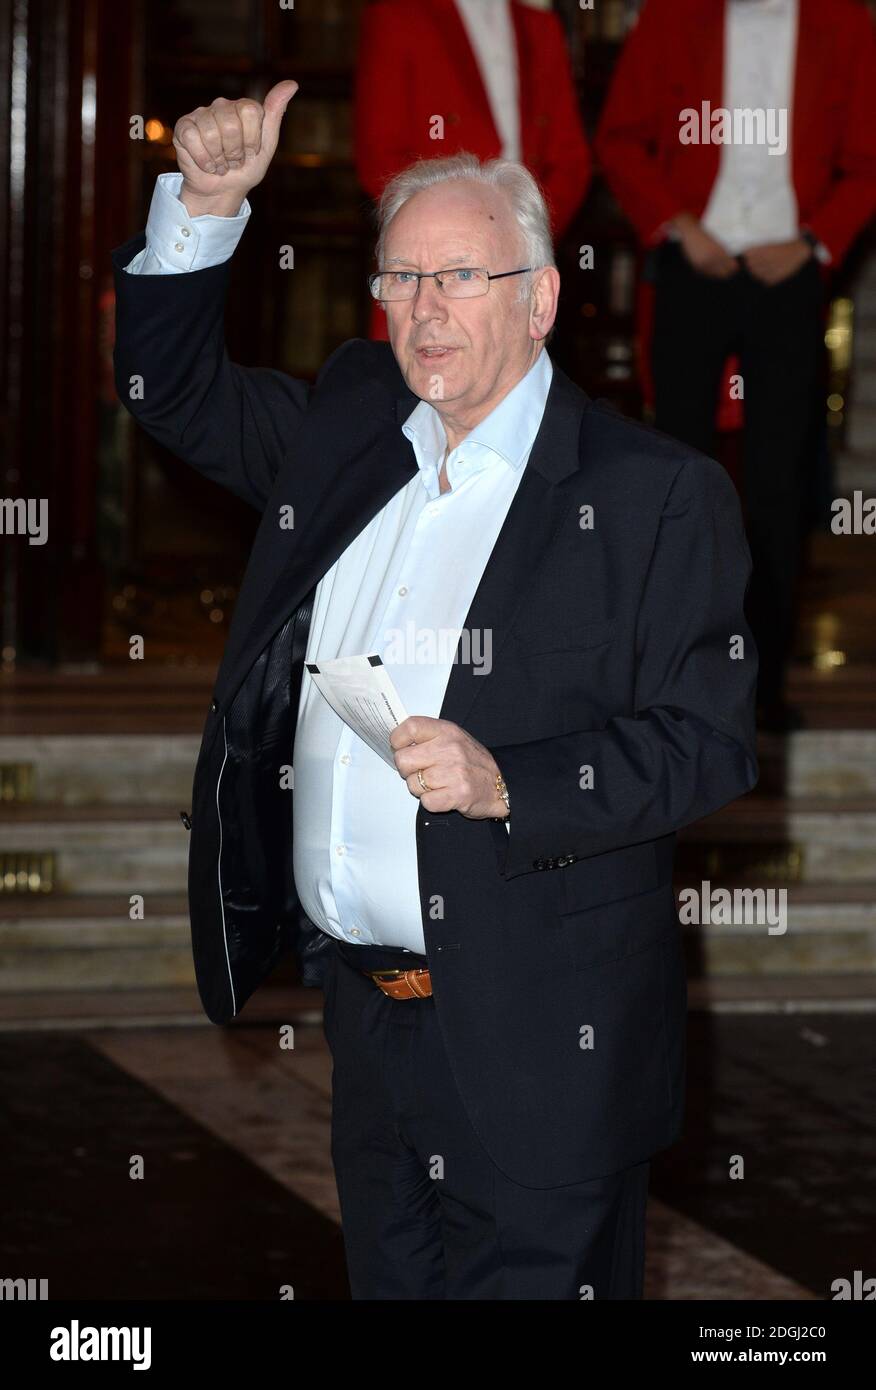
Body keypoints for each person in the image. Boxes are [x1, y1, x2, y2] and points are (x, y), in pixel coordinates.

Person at [112, 81, 758, 1300]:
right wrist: (201, 207)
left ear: (542, 299)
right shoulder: (351, 429)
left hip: (544, 1042)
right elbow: (174, 396)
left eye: (460, 277)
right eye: (401, 279)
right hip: (369, 1024)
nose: (423, 311)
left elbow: (707, 742)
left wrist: (513, 779)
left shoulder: (649, 494)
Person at [596, 0, 876, 732]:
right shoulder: (670, 17)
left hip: (788, 275)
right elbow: (621, 139)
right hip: (695, 267)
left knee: (778, 491)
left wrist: (814, 242)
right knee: (676, 482)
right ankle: (670, 682)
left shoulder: (843, 23)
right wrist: (680, 227)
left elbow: (868, 160)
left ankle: (764, 687)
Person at [354, 0, 591, 339]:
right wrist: (448, 249)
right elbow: (378, 156)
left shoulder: (541, 27)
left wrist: (526, 239)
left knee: (522, 384)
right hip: (430, 268)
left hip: (520, 270)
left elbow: (570, 160)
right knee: (416, 382)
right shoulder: (397, 14)